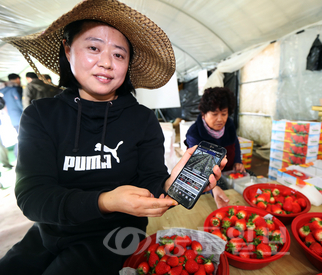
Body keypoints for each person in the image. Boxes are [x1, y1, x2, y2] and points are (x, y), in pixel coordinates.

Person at [0, 0, 226, 274]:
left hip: (117, 233)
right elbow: (32, 196)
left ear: (128, 63)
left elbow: (151, 183)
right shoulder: (42, 114)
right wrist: (106, 200)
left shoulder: (142, 120)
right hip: (49, 229)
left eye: (119, 55)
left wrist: (171, 183)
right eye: (93, 48)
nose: (106, 62)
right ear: (68, 49)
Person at [185, 87, 245, 208]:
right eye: (214, 114)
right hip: (209, 178)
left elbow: (235, 142)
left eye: (224, 114)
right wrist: (213, 188)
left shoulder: (229, 124)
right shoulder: (194, 134)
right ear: (203, 113)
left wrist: (238, 161)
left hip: (230, 172)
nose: (220, 119)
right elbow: (199, 169)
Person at [1, 80, 23, 158]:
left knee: (21, 136)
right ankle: (18, 154)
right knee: (23, 137)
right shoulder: (14, 90)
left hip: (14, 119)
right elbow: (19, 103)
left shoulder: (4, 93)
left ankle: (18, 155)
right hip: (20, 116)